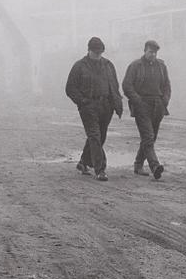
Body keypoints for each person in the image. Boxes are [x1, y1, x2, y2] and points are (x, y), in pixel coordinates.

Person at [65, 36, 123, 182]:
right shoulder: (79, 66)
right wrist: (83, 102)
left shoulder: (108, 65)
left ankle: (84, 162)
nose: (98, 55)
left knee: (100, 137)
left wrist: (116, 104)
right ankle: (100, 169)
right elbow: (70, 88)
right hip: (88, 107)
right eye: (95, 52)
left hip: (106, 106)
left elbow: (114, 86)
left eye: (100, 52)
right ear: (89, 50)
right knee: (95, 136)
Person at [122, 40, 171, 180]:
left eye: (155, 52)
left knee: (151, 138)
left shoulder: (161, 66)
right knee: (148, 137)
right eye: (150, 52)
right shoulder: (135, 65)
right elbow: (127, 85)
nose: (153, 55)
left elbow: (167, 85)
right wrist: (137, 101)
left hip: (158, 105)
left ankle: (138, 164)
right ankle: (155, 166)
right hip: (142, 105)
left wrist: (165, 101)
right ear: (145, 51)